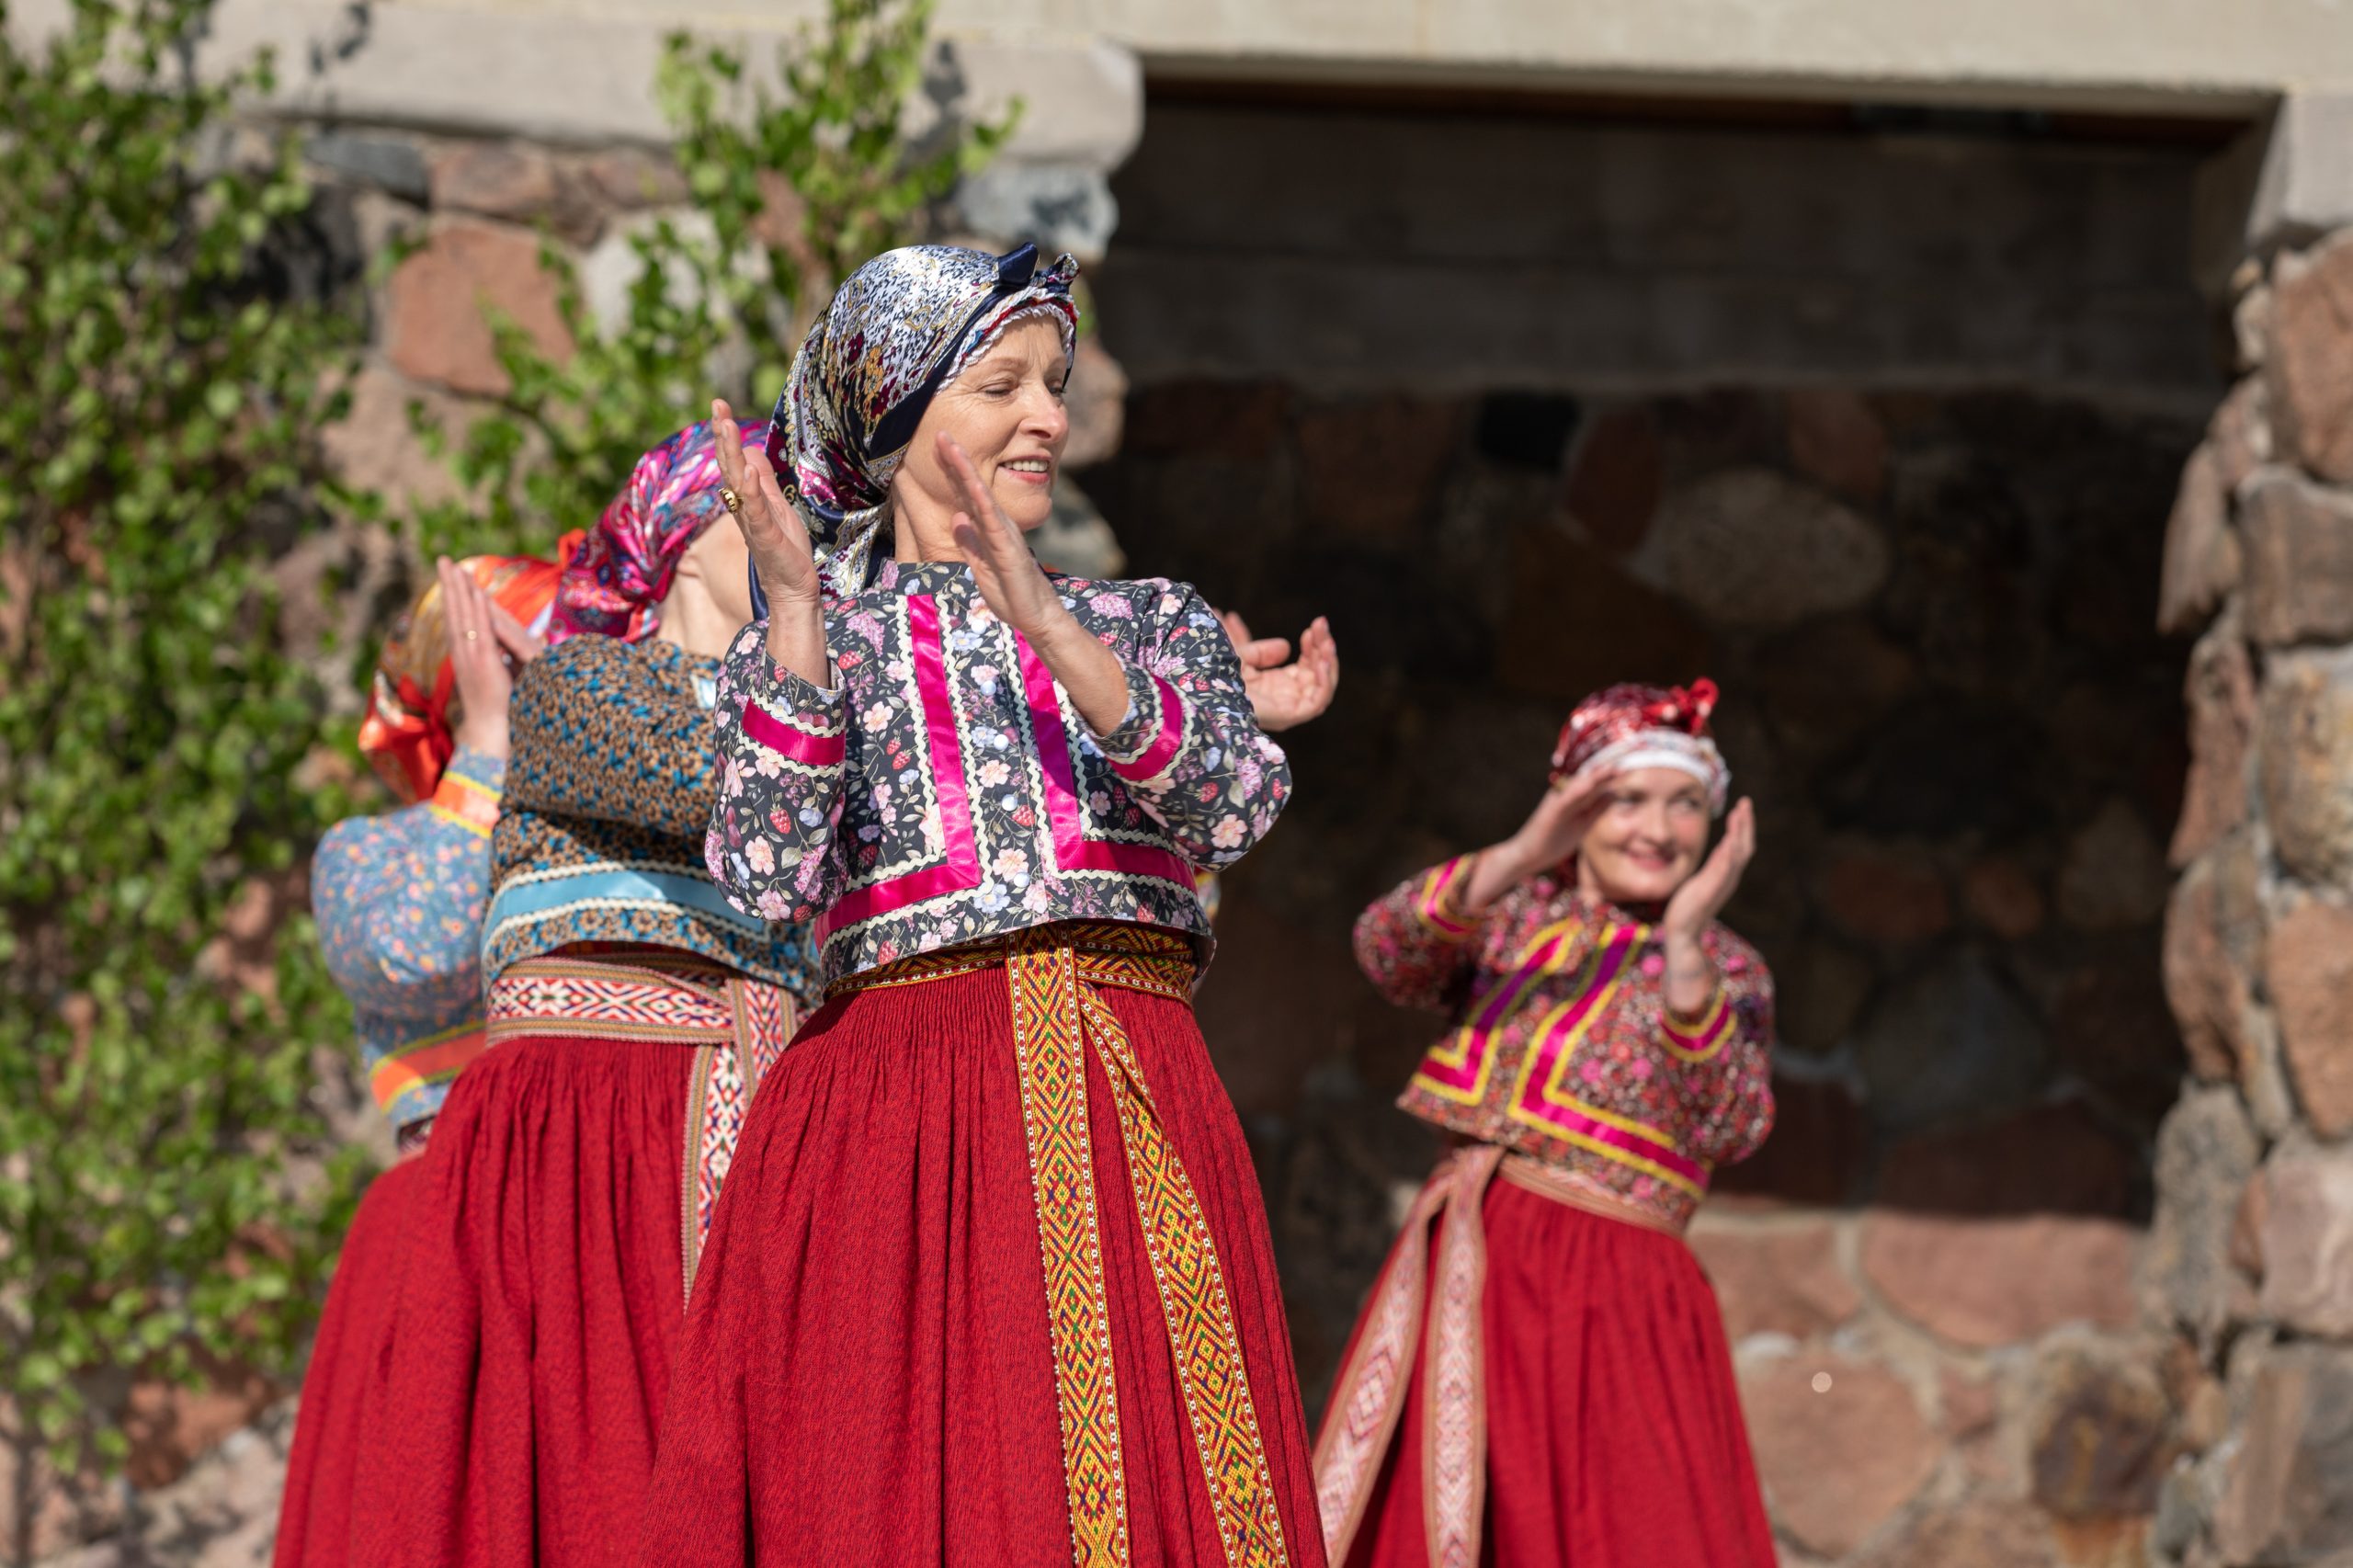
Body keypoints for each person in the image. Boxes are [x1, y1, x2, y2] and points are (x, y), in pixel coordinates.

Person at [636, 242, 1324, 1565]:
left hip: (1123, 1074)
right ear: (895, 421)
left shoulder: (1147, 621)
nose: (1046, 416)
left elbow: (1234, 804)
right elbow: (765, 878)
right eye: (1002, 384)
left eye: (1054, 383)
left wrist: (1053, 627)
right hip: (894, 1106)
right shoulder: (809, 644)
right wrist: (795, 611)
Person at [357, 426, 820, 1568]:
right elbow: (740, 786)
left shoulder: (818, 702)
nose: (794, 534)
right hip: (591, 1142)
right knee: (591, 1484)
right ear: (679, 538)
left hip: (758, 1140)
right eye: (761, 506)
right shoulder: (578, 686)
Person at [1313, 680, 1777, 1568]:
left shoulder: (1727, 968)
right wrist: (1529, 849)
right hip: (1477, 1266)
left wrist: (1684, 948)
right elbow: (1389, 949)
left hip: (1617, 1294)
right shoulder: (1516, 918)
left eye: (1686, 804)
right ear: (1577, 807)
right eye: (1627, 799)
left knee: (1630, 1530)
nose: (1659, 829)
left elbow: (1731, 1123)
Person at [276, 551, 563, 1568]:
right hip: (441, 1243)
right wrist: (490, 746)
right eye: (526, 669)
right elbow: (420, 944)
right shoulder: (367, 853)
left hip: (584, 1231)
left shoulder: (609, 846)